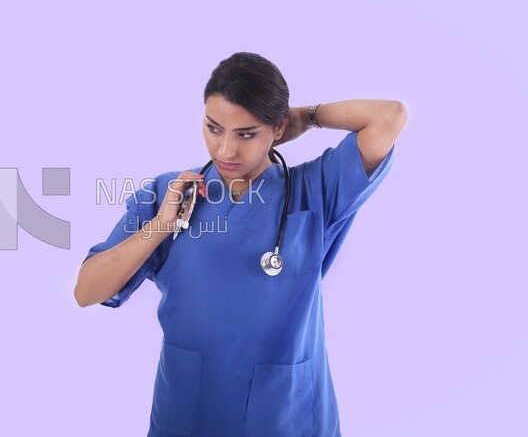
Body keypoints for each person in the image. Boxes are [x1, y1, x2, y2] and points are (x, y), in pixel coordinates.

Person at [74, 52, 408, 437]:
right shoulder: (168, 193)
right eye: (214, 128)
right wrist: (162, 225)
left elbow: (390, 116)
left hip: (286, 413)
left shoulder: (315, 191)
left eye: (246, 133)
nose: (225, 150)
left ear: (277, 128)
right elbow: (87, 290)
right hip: (188, 410)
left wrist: (306, 117)